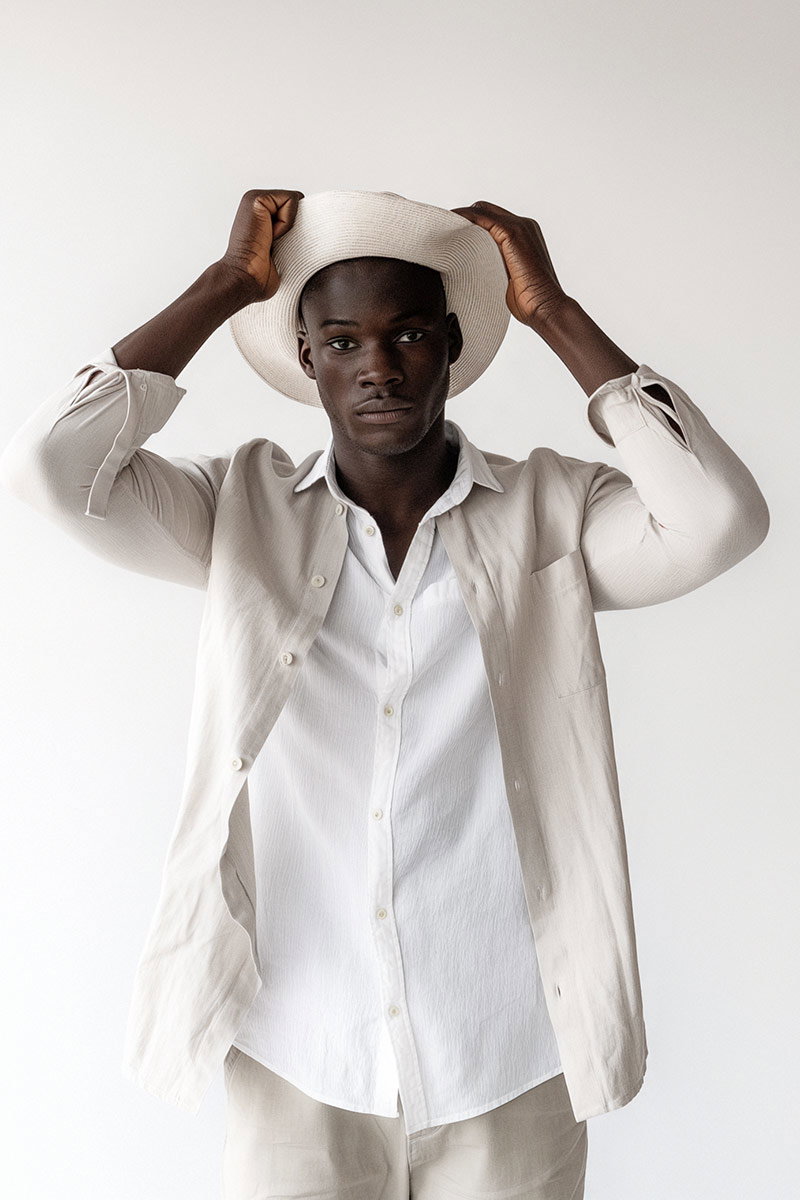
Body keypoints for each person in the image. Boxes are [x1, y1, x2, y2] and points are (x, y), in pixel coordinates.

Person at [0, 188, 770, 1199]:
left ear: (451, 345)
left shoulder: (552, 508)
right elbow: (54, 468)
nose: (378, 366)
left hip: (507, 1054)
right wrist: (224, 287)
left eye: (408, 334)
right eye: (341, 341)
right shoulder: (238, 510)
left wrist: (554, 313)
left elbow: (719, 519)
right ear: (308, 360)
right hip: (297, 1053)